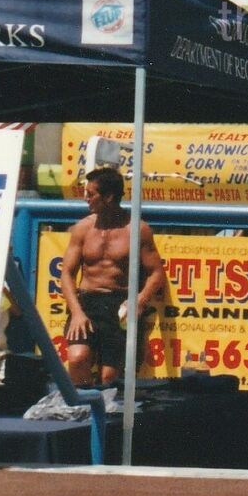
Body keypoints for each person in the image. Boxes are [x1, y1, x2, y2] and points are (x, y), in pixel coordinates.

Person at [60, 166, 167, 387]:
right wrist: (77, 312)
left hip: (119, 304)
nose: (86, 199)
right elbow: (67, 274)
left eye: (91, 194)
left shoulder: (137, 230)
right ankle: (81, 411)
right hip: (87, 302)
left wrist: (140, 300)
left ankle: (105, 417)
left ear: (108, 197)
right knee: (77, 358)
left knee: (109, 378)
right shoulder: (82, 229)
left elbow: (156, 273)